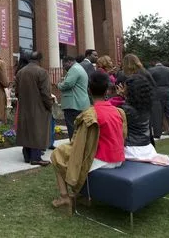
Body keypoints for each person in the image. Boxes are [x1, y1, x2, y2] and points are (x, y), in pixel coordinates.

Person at [50, 71, 127, 213]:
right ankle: (82, 195)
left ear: (88, 90)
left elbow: (79, 145)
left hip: (103, 161)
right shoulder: (118, 111)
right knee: (69, 152)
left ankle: (64, 197)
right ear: (107, 90)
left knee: (57, 154)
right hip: (118, 158)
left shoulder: (89, 115)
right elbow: (123, 136)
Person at [15, 51, 53, 166]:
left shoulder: (20, 72)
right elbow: (46, 93)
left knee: (27, 131)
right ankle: (36, 157)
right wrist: (49, 105)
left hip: (24, 106)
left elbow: (16, 92)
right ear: (39, 60)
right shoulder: (42, 72)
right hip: (39, 107)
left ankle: (27, 156)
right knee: (37, 131)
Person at [57, 56, 90, 139]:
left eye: (64, 65)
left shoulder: (74, 69)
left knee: (73, 129)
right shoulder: (80, 68)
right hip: (81, 103)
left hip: (73, 104)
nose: (64, 68)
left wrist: (59, 85)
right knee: (80, 129)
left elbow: (68, 84)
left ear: (69, 62)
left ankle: (74, 147)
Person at [148, 61, 169, 140]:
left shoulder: (151, 70)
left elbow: (148, 83)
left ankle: (157, 134)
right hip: (168, 92)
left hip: (156, 93)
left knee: (157, 114)